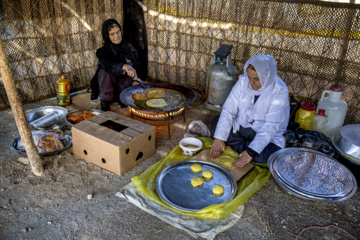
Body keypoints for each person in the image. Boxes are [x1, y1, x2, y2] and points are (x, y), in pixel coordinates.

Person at [209, 54, 290, 168]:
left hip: (263, 133)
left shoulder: (279, 91)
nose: (251, 83)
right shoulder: (243, 81)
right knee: (215, 124)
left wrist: (251, 151)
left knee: (268, 156)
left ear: (267, 77)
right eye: (249, 77)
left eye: (257, 79)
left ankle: (245, 150)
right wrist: (219, 138)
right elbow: (228, 110)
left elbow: (271, 126)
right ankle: (244, 148)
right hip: (241, 128)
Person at [91, 19, 141, 111]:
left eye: (118, 32)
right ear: (107, 36)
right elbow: (106, 63)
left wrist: (136, 79)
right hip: (110, 89)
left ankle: (124, 100)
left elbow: (137, 66)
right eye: (112, 34)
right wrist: (124, 66)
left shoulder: (129, 47)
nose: (117, 36)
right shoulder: (103, 51)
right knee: (104, 70)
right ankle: (105, 104)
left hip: (125, 86)